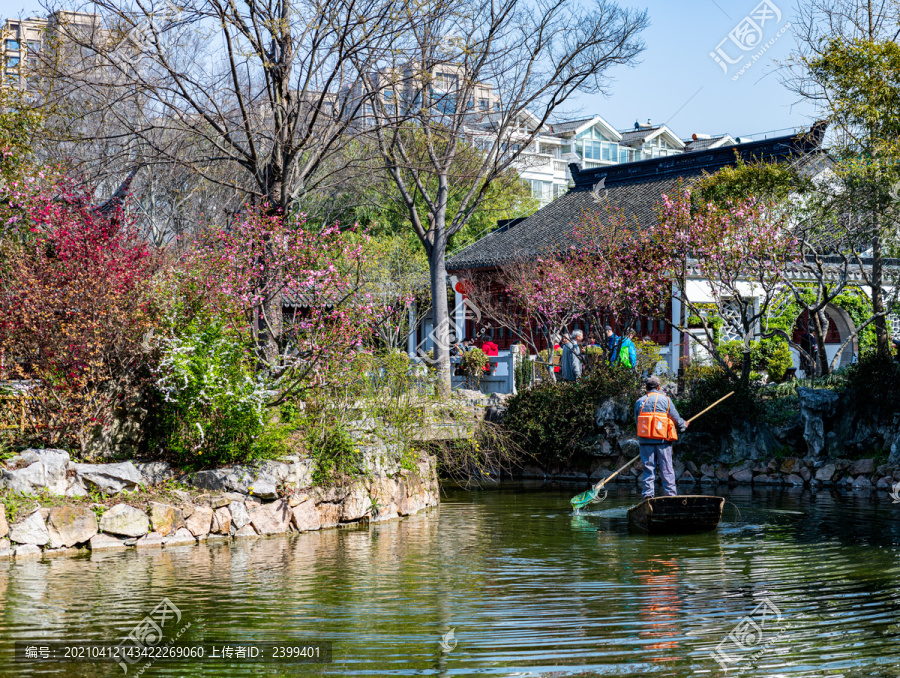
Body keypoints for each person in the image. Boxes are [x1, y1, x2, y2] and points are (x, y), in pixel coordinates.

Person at [635, 376, 688, 499]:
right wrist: (683, 425)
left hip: (646, 442)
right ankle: (670, 496)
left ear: (646, 387)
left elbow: (637, 423)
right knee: (666, 469)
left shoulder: (639, 402)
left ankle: (648, 497)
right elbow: (676, 419)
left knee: (648, 470)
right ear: (659, 387)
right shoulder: (666, 400)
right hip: (663, 441)